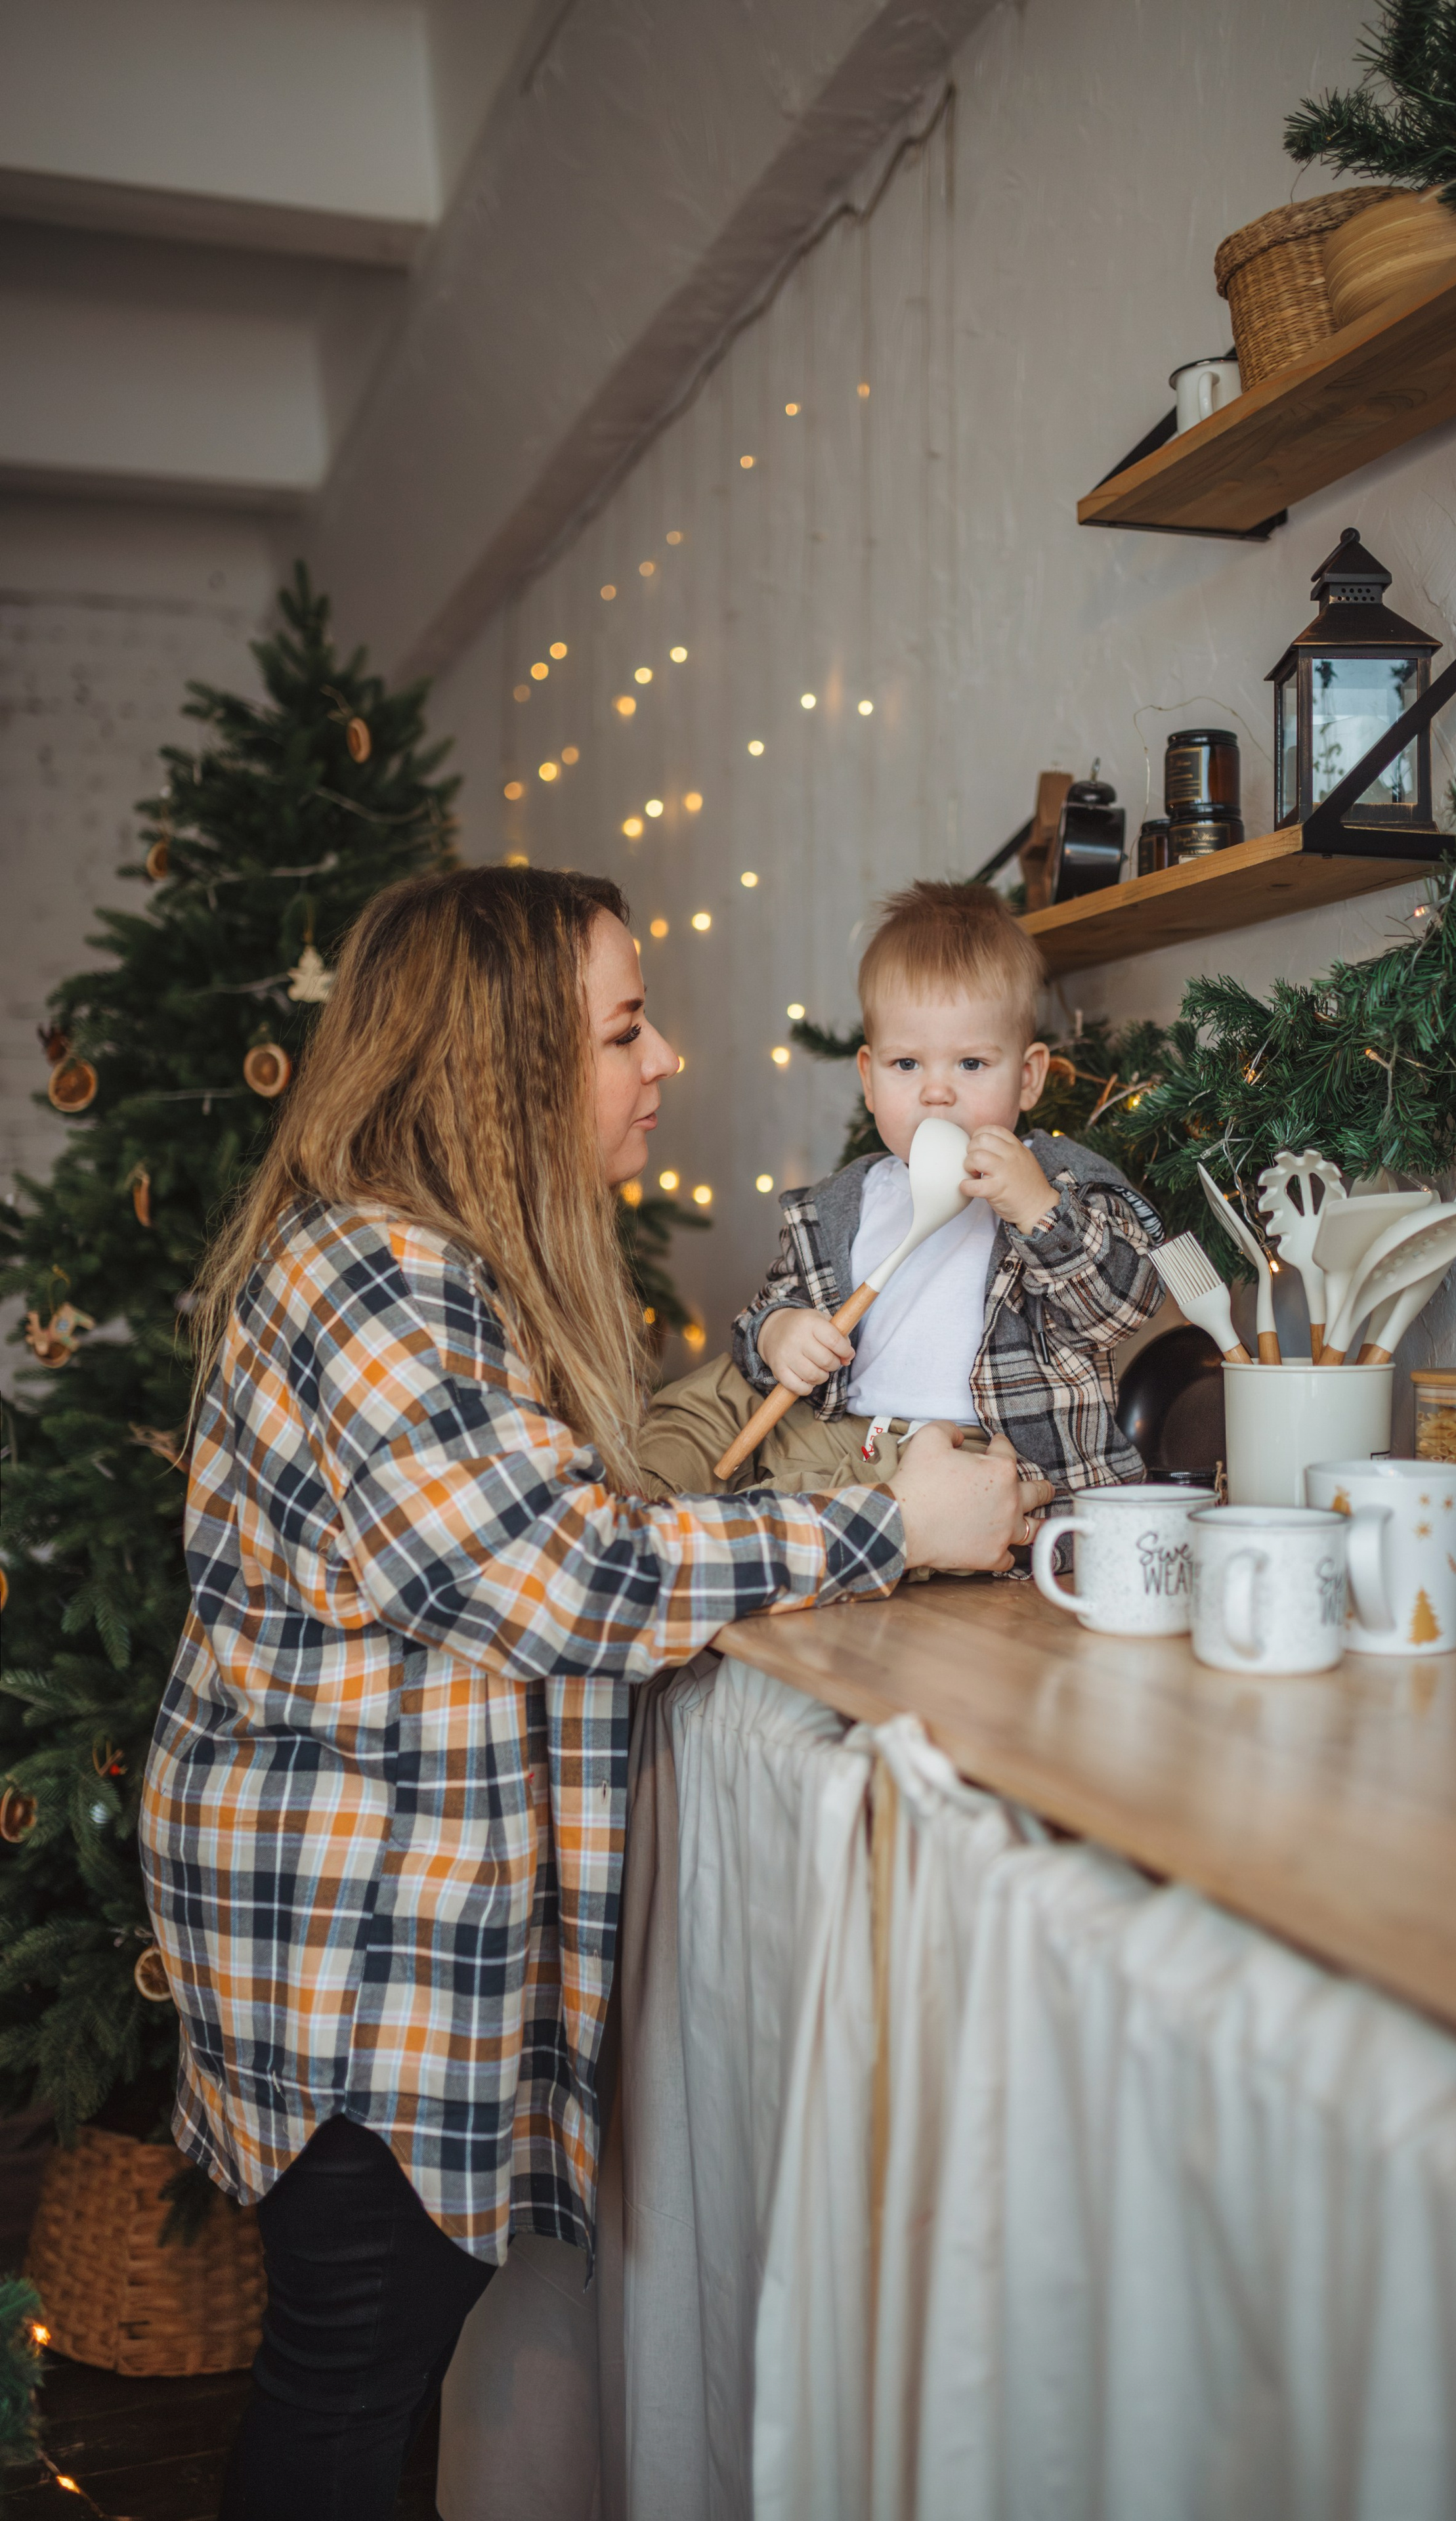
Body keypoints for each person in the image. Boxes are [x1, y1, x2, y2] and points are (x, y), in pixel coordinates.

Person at [138, 866, 1049, 2521]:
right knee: (347, 2383)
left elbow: (577, 1498)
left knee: (361, 2368)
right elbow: (547, 1574)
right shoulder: (381, 1274)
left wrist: (758, 1392)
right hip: (349, 1947)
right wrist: (886, 1519)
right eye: (625, 1025)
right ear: (501, 1058)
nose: (661, 1059)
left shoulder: (446, 1265)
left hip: (363, 1920)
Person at [637, 880, 1163, 1503]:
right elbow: (767, 1309)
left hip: (987, 1456)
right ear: (869, 1076)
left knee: (823, 1494)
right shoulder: (843, 1203)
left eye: (971, 1064)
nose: (936, 1092)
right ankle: (635, 1491)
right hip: (849, 1431)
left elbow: (1128, 1304)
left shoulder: (1060, 1184)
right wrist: (779, 1332)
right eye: (907, 1065)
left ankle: (765, 1521)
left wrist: (1038, 1211)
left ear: (1027, 1079)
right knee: (714, 1395)